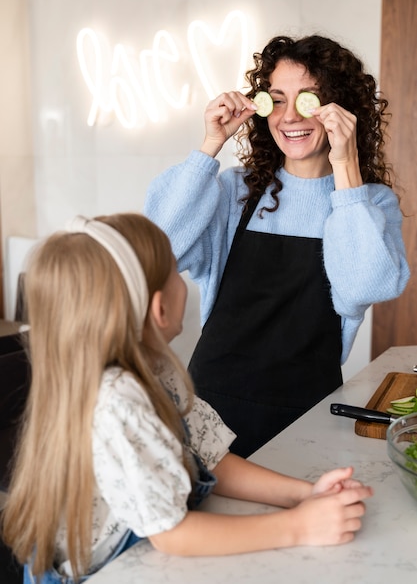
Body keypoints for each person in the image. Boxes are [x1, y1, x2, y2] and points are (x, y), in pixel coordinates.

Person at [1, 212, 373, 583]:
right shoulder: (117, 401)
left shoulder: (157, 370)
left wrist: (303, 495)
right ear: (159, 308)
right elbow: (171, 534)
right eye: (176, 271)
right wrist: (298, 527)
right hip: (104, 571)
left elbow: (211, 458)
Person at [144, 34, 410, 458]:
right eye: (277, 99)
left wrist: (345, 166)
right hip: (211, 407)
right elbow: (157, 248)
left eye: (308, 99)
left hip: (308, 411)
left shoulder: (367, 201)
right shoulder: (237, 191)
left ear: (340, 109)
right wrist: (211, 144)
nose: (289, 116)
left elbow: (365, 286)